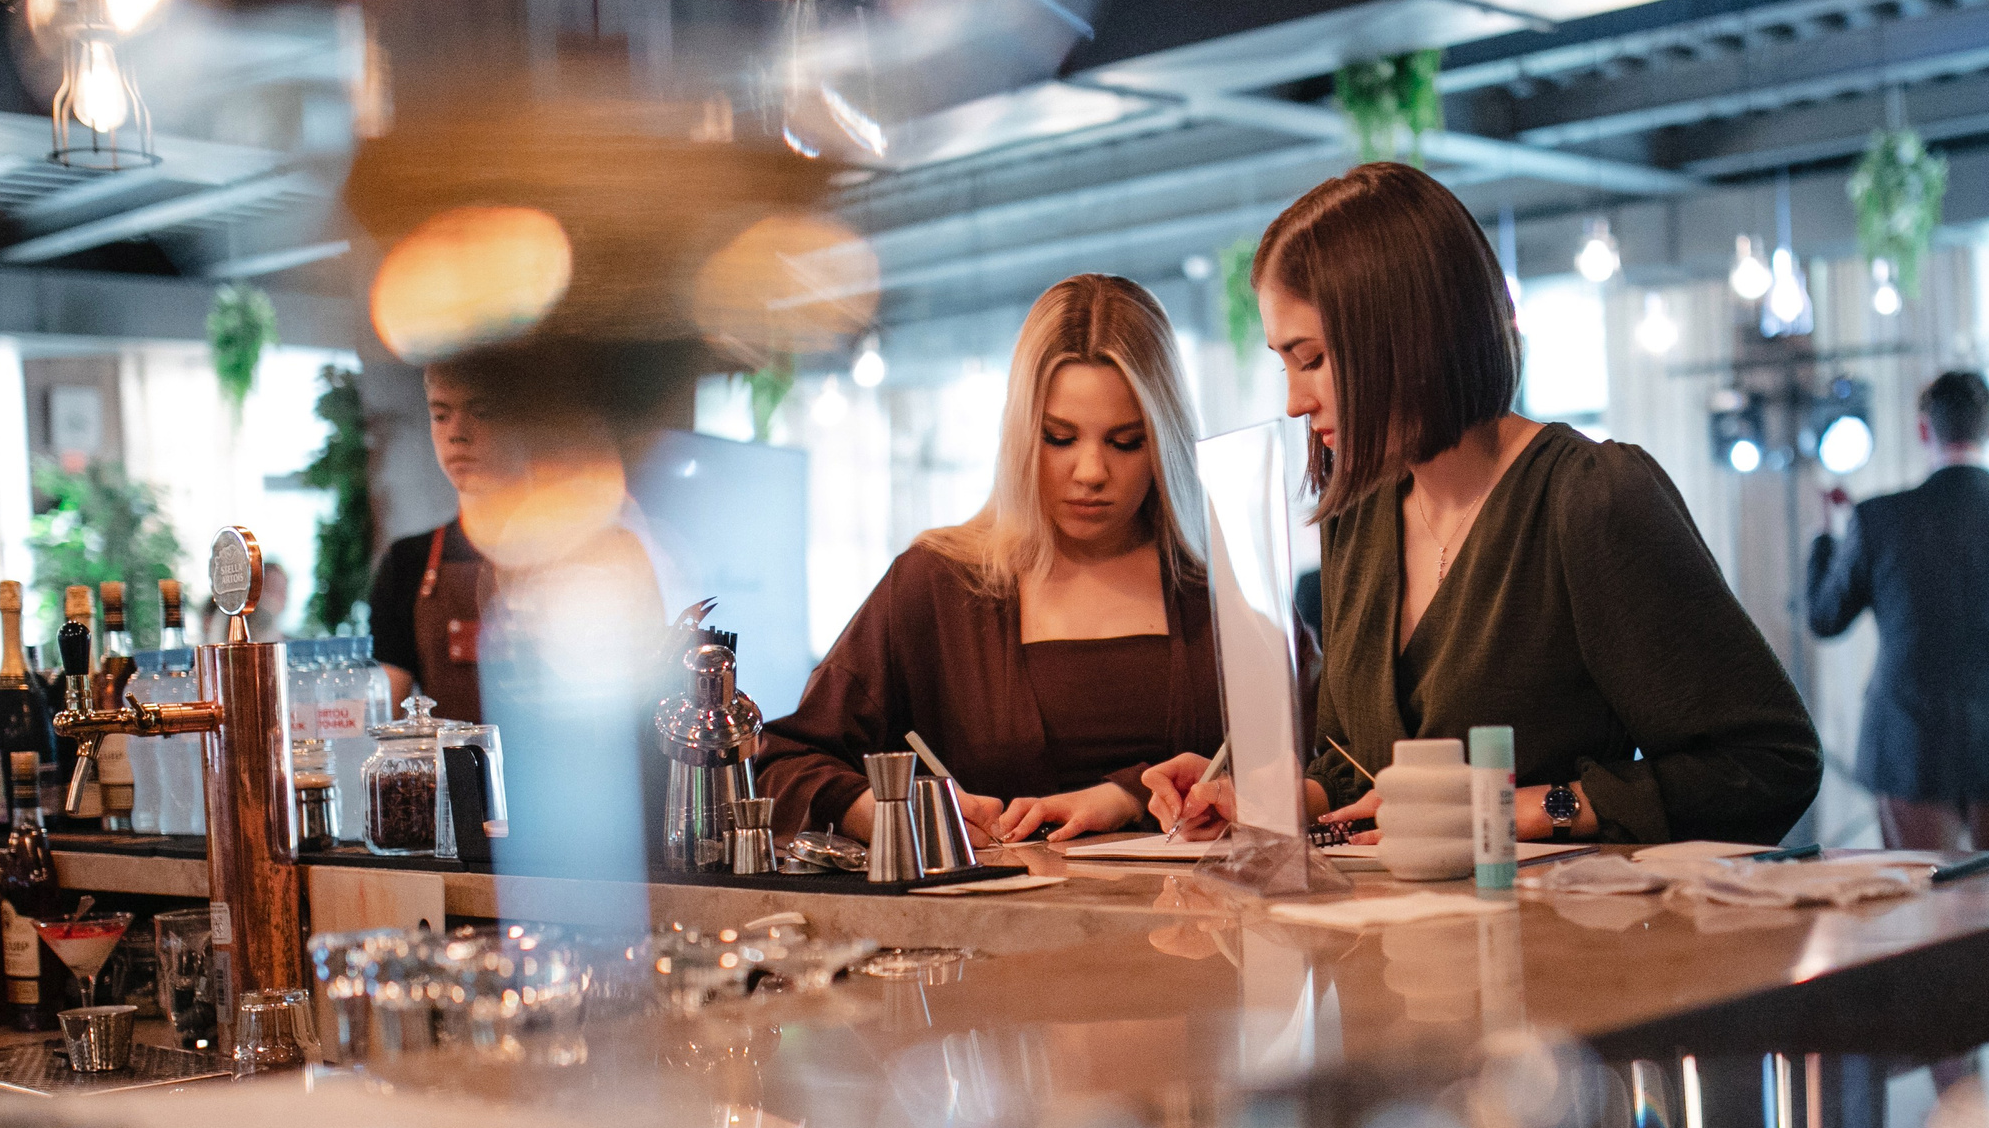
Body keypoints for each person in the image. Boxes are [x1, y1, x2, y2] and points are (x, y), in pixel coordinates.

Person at [1145, 162, 1820, 846]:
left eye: (1313, 359)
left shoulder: (1590, 498)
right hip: (1392, 913)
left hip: (1555, 914)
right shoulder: (1359, 515)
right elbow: (1361, 770)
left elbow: (1769, 764)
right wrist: (1274, 796)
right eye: (1284, 363)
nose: (1294, 401)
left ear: (1403, 337)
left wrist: (1532, 807)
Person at [756, 275, 1224, 845]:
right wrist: (895, 818)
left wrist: (1128, 797)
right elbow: (787, 764)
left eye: (1126, 441)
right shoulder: (936, 585)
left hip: (1194, 905)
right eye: (1059, 438)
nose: (1091, 472)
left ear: (1166, 441)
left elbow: (1305, 771)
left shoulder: (1221, 593)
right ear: (1020, 435)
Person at [1806, 370, 1989, 852]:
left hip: (1908, 747)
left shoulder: (1877, 518)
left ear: (1923, 430)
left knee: (1921, 894)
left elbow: (1825, 618)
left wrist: (1828, 534)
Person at [369, 353, 673, 724]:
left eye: (482, 411)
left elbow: (649, 705)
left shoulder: (609, 553)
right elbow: (383, 719)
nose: (456, 433)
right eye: (441, 415)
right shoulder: (408, 563)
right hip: (453, 765)